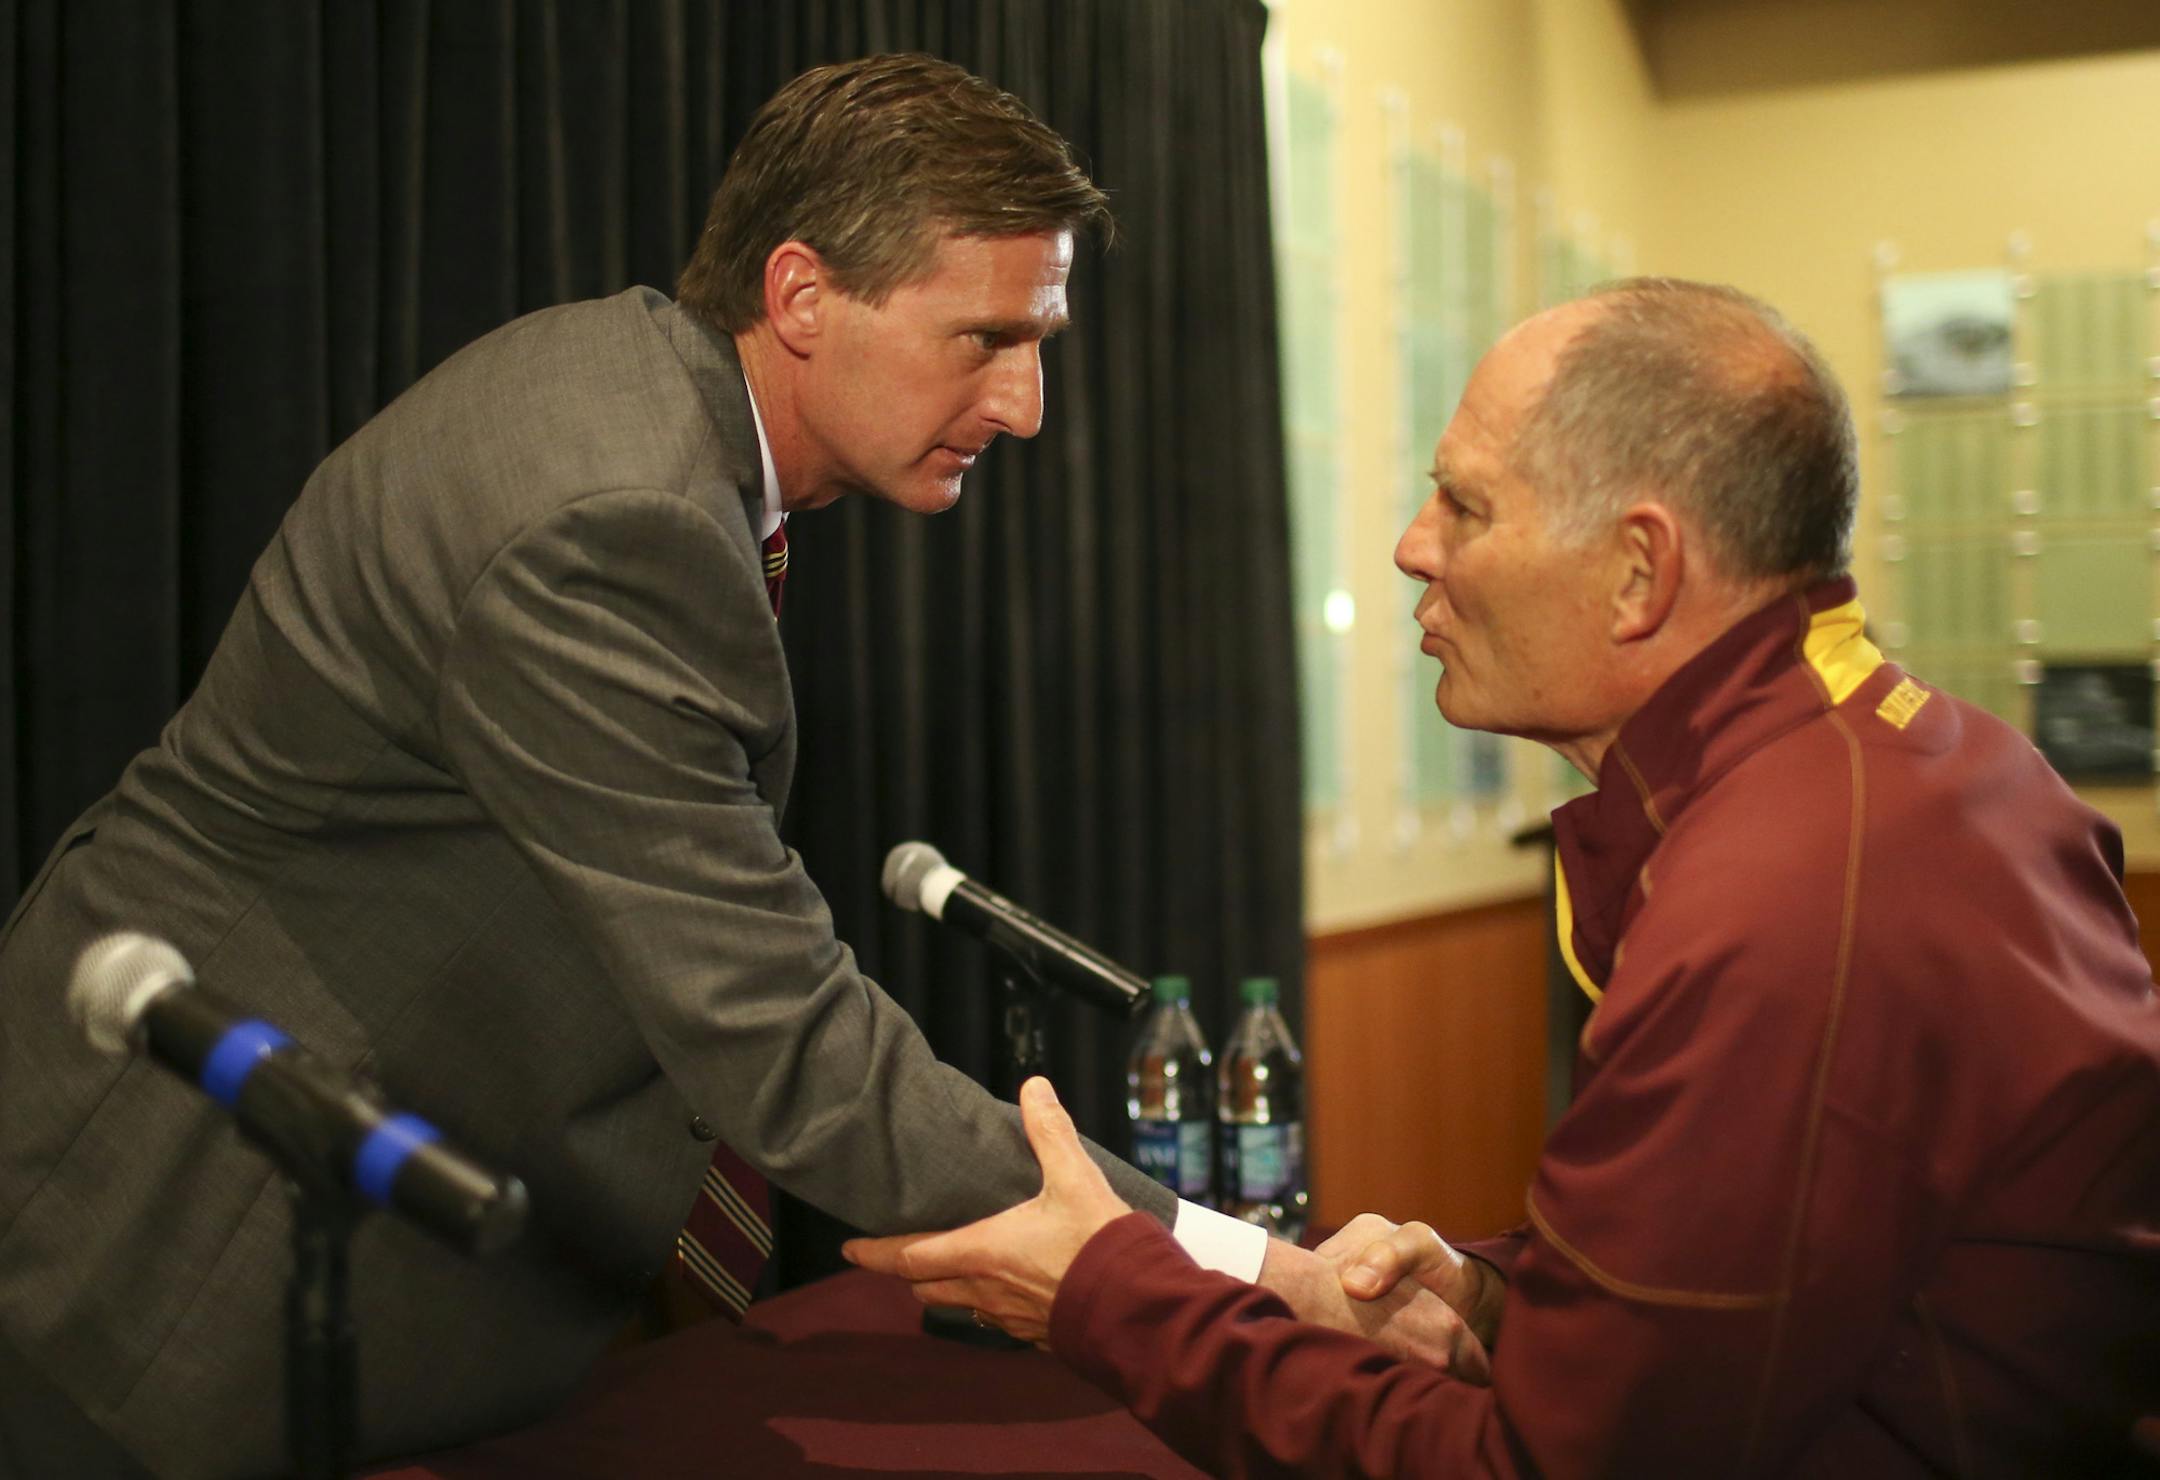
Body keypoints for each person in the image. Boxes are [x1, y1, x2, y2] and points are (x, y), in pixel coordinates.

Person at [0, 53, 1388, 1479]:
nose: (1026, 406)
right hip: (163, 1257)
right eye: (983, 339)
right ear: (800, 297)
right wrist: (1240, 1273)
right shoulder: (611, 521)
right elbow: (778, 1033)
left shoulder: (646, 412)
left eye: (1039, 343)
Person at [849, 279, 2160, 1476]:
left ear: (1640, 571)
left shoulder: (1785, 895)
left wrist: (1110, 1296)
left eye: (1466, 504)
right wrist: (1491, 1295)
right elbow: (1795, 1265)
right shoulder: (1914, 765)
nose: (1416, 547)